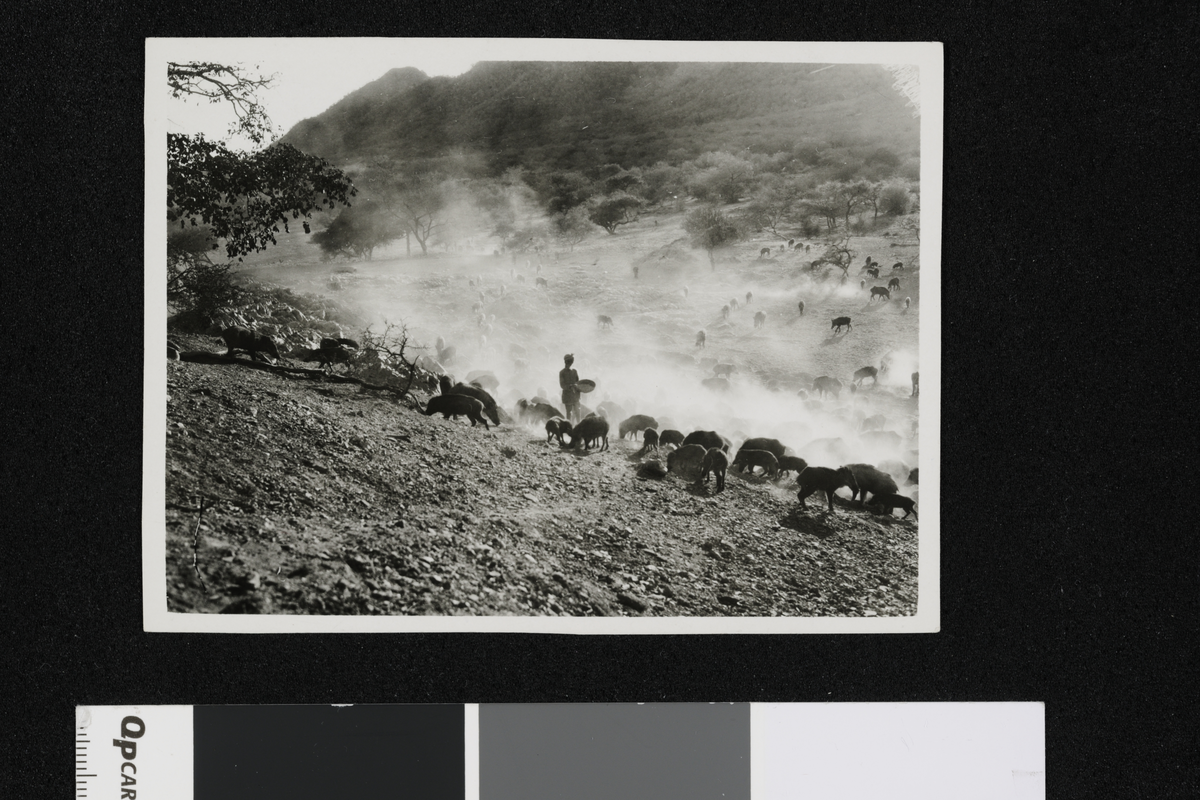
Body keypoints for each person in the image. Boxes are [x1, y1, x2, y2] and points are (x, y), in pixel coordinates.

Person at [559, 354, 581, 423]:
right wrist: (570, 386)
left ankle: (578, 426)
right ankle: (569, 427)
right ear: (565, 362)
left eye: (570, 362)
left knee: (577, 412)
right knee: (569, 413)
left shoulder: (574, 371)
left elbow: (578, 383)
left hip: (575, 396)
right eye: (568, 362)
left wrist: (577, 387)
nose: (569, 363)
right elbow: (562, 385)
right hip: (568, 396)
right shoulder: (562, 372)